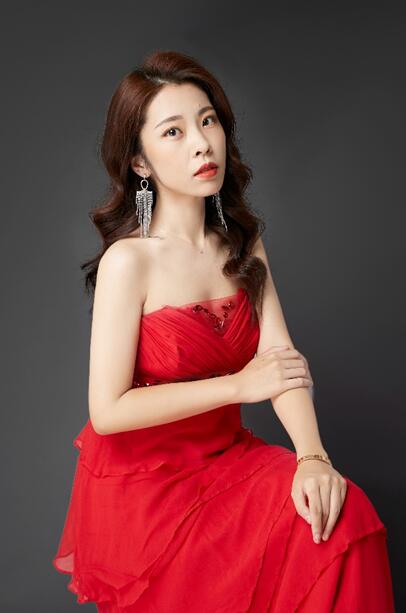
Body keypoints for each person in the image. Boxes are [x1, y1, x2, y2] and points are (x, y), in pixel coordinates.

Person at [52, 50, 395, 612]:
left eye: (207, 120)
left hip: (228, 459)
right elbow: (107, 411)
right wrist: (238, 386)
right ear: (140, 162)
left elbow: (281, 358)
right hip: (147, 486)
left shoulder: (242, 243)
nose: (201, 144)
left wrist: (313, 457)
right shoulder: (129, 262)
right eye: (174, 131)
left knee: (342, 514)